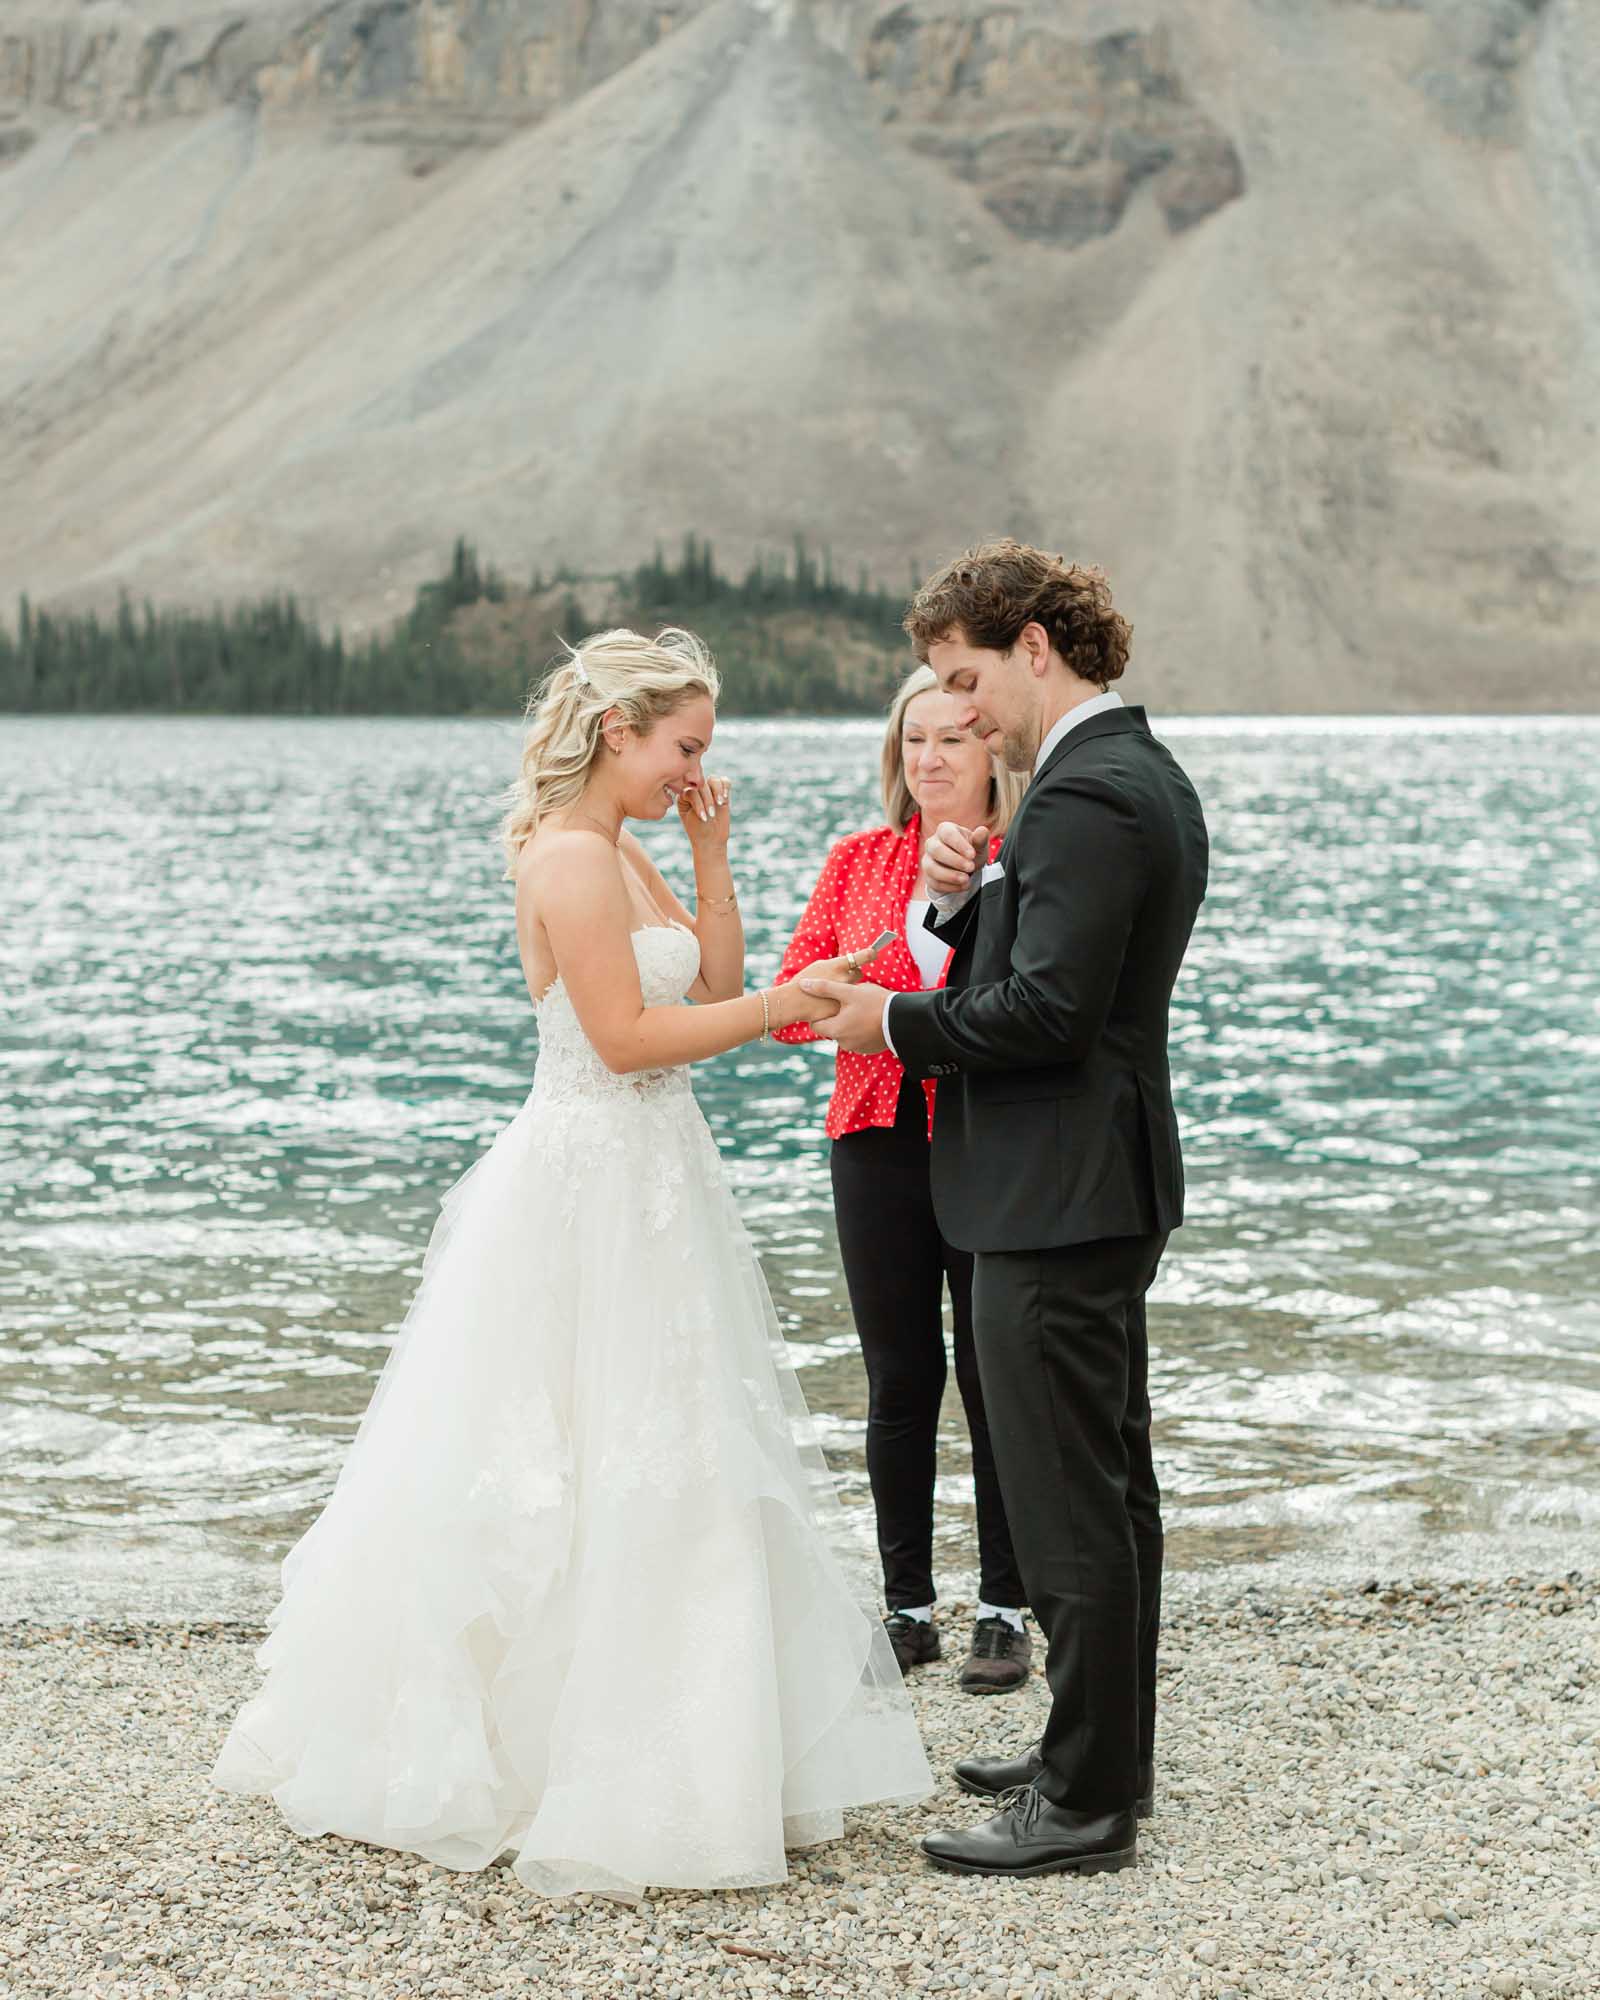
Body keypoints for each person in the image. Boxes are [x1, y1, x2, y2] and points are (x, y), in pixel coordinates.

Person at [212, 627, 933, 1899]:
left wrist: (711, 856)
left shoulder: (629, 848)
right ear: (618, 732)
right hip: (590, 1183)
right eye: (684, 747)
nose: (694, 768)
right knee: (571, 1443)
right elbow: (626, 1038)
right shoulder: (565, 856)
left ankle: (704, 1752)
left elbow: (712, 978)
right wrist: (785, 1006)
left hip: (657, 1179)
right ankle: (556, 1754)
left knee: (679, 1435)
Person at [805, 541, 1209, 1880]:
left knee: (1068, 1501)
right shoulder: (1127, 772)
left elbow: (1048, 1013)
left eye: (967, 680)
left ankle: (1084, 1802)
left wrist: (888, 1020)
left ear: (1035, 647)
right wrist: (955, 910)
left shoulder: (1087, 792)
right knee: (1108, 1487)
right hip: (1088, 1179)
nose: (962, 715)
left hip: (1054, 1191)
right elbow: (1050, 984)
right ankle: (1100, 1757)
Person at [773, 665, 1033, 1692]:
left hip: (987, 1142)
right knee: (898, 1378)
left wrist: (895, 998)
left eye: (952, 738)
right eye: (913, 739)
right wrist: (847, 995)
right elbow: (791, 1006)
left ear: (992, 752)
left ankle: (1005, 1610)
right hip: (873, 1139)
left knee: (995, 1375)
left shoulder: (1024, 857)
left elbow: (1023, 1006)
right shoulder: (859, 859)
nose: (929, 758)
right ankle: (908, 1609)